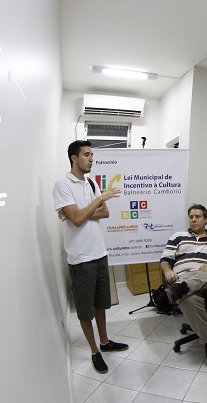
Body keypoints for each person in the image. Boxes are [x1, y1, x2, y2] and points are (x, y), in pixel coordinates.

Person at [53, 140, 128, 374]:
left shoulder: (90, 182)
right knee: (85, 311)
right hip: (81, 258)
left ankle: (105, 342)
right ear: (74, 158)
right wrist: (97, 201)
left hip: (99, 253)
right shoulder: (62, 185)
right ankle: (95, 351)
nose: (91, 159)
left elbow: (104, 213)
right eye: (87, 155)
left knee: (100, 305)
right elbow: (76, 219)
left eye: (92, 155)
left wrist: (82, 211)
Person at [159, 204, 207, 366]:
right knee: (187, 299)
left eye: (197, 216)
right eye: (191, 217)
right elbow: (165, 261)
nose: (193, 220)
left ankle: (185, 286)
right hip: (182, 276)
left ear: (206, 220)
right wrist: (167, 272)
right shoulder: (177, 236)